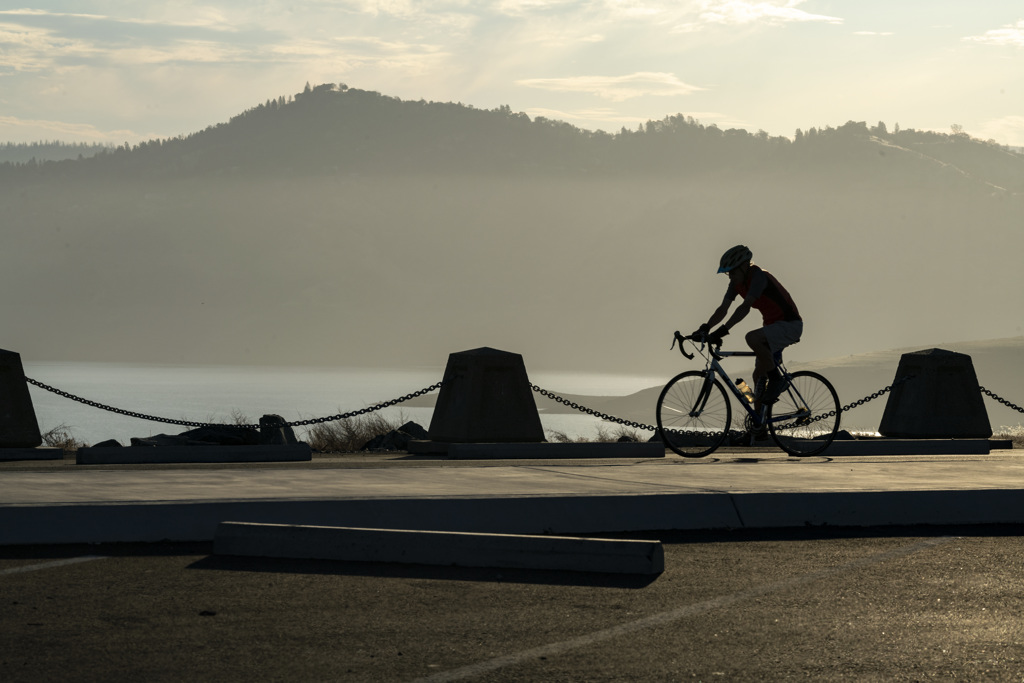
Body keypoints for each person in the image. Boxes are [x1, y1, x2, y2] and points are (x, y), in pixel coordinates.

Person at [692, 245, 803, 404]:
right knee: (758, 377)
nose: (730, 276)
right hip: (772, 328)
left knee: (752, 338)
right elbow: (723, 309)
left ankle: (777, 381)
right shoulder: (736, 283)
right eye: (728, 273)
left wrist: (723, 330)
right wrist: (705, 328)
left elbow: (745, 307)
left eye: (733, 272)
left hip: (790, 325)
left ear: (744, 266)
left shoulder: (758, 277)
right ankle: (758, 419)